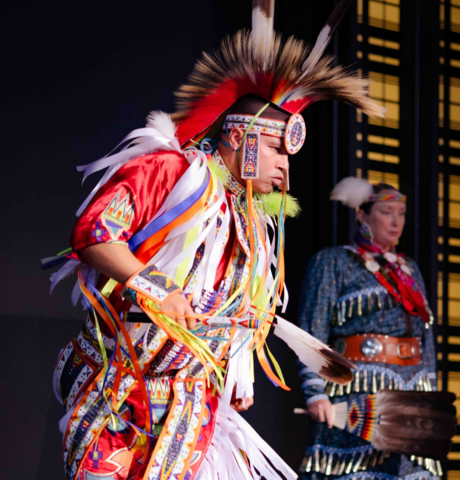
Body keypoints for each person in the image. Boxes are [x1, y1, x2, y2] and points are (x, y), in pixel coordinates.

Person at [45, 3, 382, 479]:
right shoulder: (171, 173)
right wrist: (157, 287)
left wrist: (239, 367)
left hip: (192, 403)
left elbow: (244, 312)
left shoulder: (251, 226)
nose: (286, 167)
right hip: (118, 386)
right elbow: (94, 235)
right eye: (275, 149)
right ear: (241, 138)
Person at [297, 177, 439, 480]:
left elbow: (426, 341)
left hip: (410, 392)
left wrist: (431, 399)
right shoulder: (333, 262)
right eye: (386, 212)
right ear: (362, 214)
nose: (396, 221)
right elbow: (312, 331)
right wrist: (315, 393)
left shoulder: (410, 271)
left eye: (400, 213)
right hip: (357, 392)